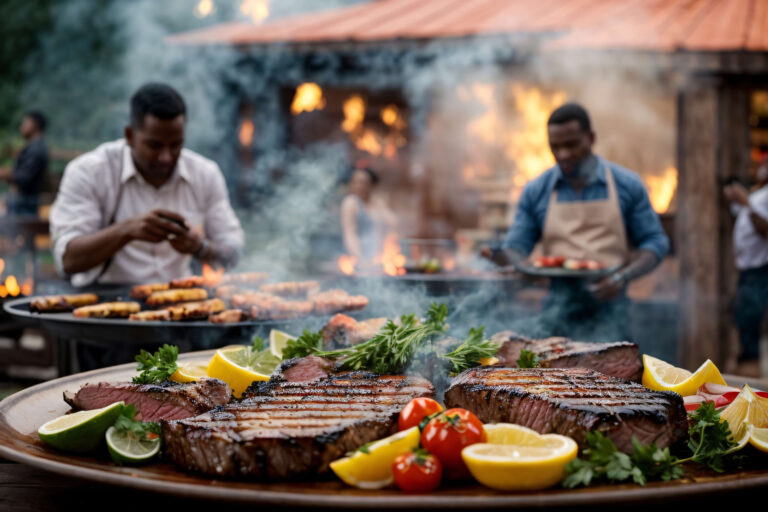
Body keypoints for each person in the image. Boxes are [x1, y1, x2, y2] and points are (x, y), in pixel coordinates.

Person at [488, 103, 669, 341]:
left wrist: (620, 277)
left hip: (612, 310)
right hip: (557, 313)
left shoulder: (627, 185)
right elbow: (515, 246)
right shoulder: (537, 190)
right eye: (555, 147)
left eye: (571, 145)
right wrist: (520, 266)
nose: (563, 155)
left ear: (591, 138)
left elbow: (655, 242)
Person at [50, 83, 244, 287]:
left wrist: (201, 248)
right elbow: (68, 260)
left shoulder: (205, 174)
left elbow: (234, 252)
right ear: (130, 136)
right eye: (155, 145)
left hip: (178, 302)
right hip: (101, 303)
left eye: (176, 145)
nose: (166, 157)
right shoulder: (89, 172)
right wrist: (126, 230)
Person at [724, 161, 768, 374]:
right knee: (743, 321)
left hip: (758, 272)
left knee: (749, 322)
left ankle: (753, 378)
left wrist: (746, 202)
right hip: (747, 272)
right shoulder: (758, 193)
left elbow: (764, 228)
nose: (763, 166)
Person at [341, 164, 396, 264]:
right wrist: (359, 257)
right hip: (358, 257)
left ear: (371, 184)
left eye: (363, 182)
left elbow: (392, 223)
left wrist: (379, 204)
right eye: (356, 182)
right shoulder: (351, 202)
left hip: (376, 256)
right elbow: (350, 234)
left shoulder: (376, 202)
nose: (360, 186)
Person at [2, 111, 49, 216]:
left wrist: (5, 173)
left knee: (18, 231)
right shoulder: (32, 148)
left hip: (25, 205)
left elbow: (24, 177)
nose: (21, 127)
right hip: (21, 204)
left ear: (35, 125)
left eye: (25, 123)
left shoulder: (36, 149)